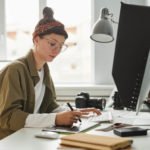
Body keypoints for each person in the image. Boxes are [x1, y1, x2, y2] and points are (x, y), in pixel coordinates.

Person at [0, 7, 101, 139]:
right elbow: (8, 117)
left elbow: (50, 107)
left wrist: (75, 112)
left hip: (26, 137)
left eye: (61, 46)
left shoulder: (44, 71)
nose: (57, 50)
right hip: (9, 141)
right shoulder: (15, 70)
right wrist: (56, 119)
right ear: (36, 40)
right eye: (52, 44)